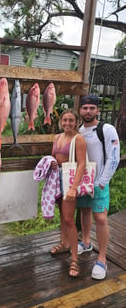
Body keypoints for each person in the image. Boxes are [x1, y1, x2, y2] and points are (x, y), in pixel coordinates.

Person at [77, 94, 120, 280]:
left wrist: (102, 181)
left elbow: (114, 157)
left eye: (91, 108)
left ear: (97, 110)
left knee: (101, 218)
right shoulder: (79, 130)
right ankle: (86, 242)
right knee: (84, 211)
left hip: (100, 181)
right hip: (82, 181)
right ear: (80, 110)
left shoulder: (107, 129)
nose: (88, 111)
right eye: (85, 108)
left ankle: (102, 258)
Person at [50, 109, 87, 277]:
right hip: (57, 179)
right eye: (65, 120)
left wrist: (73, 187)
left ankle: (74, 259)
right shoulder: (57, 137)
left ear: (76, 122)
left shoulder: (78, 139)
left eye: (71, 120)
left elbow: (81, 164)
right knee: (62, 216)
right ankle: (64, 243)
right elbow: (54, 157)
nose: (67, 123)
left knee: (68, 219)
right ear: (61, 121)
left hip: (69, 181)